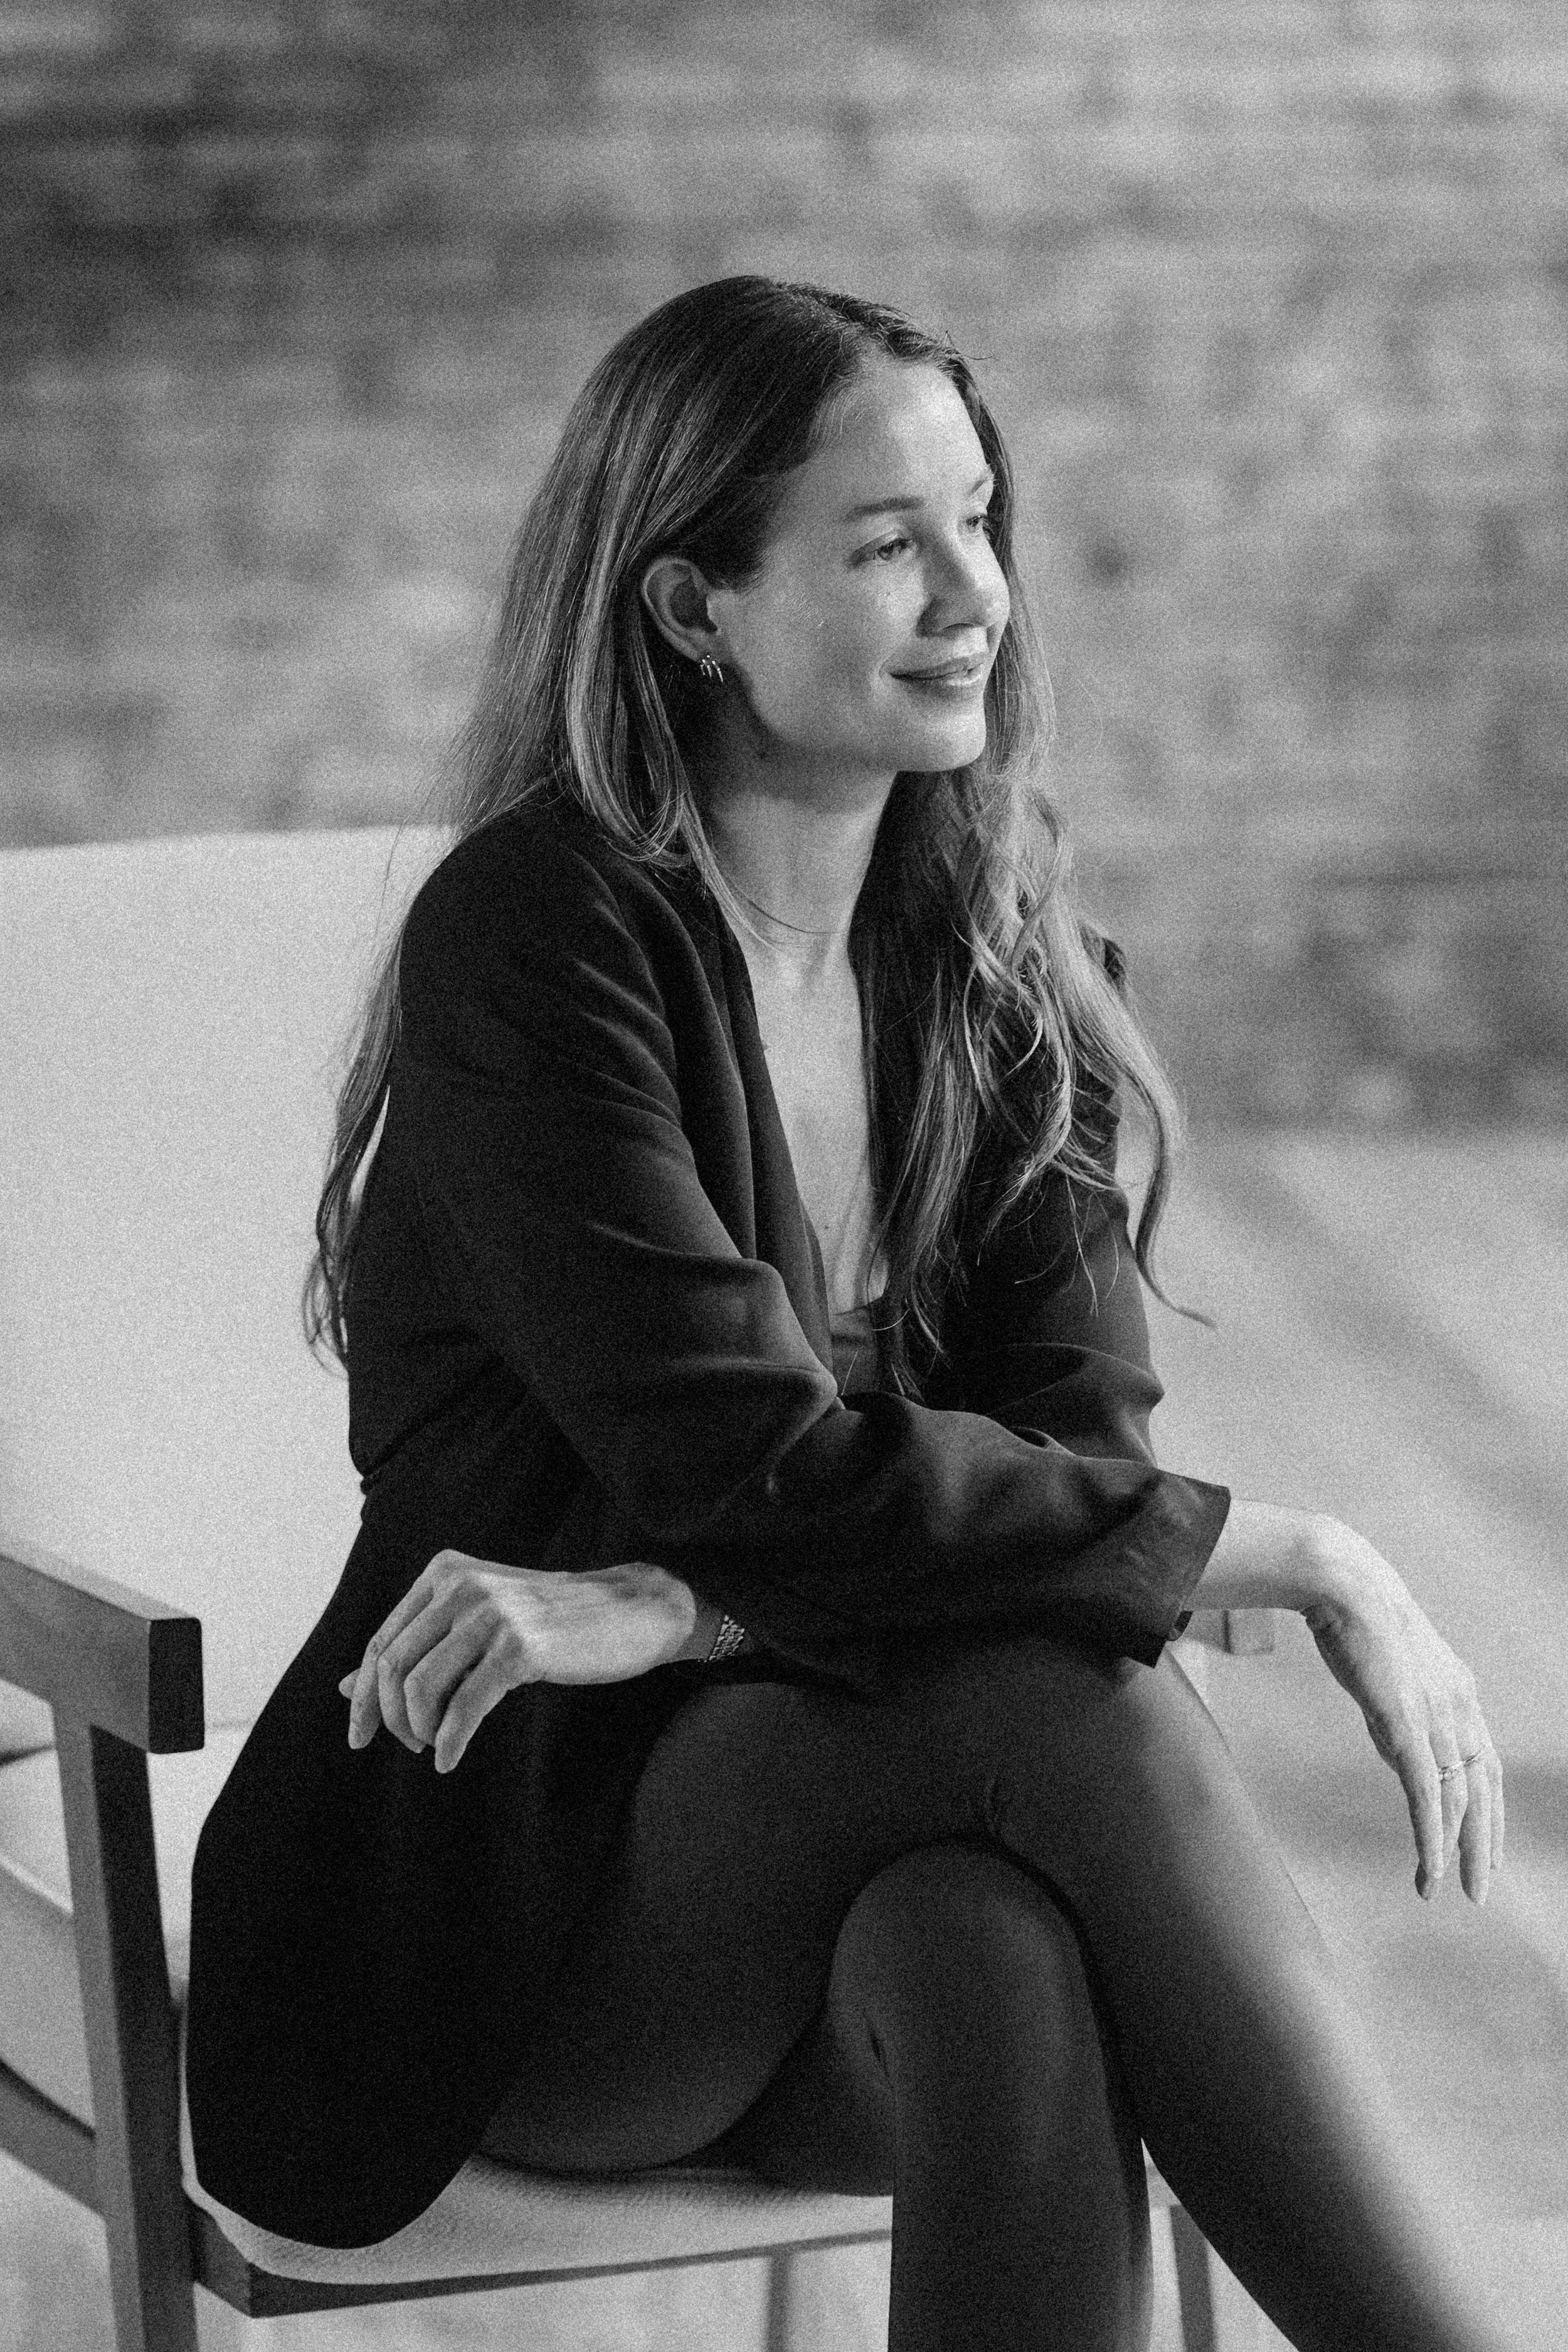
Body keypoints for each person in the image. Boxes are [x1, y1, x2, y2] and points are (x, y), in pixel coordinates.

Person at [188, 277, 1512, 2352]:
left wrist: (681, 1602)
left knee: (988, 1949)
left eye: (978, 521)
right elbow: (767, 1472)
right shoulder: (538, 940)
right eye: (887, 544)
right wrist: (1309, 1553)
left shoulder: (1001, 958)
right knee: (1060, 1702)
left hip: (842, 1941)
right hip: (507, 1908)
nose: (974, 594)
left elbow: (1061, 1471)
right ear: (690, 608)